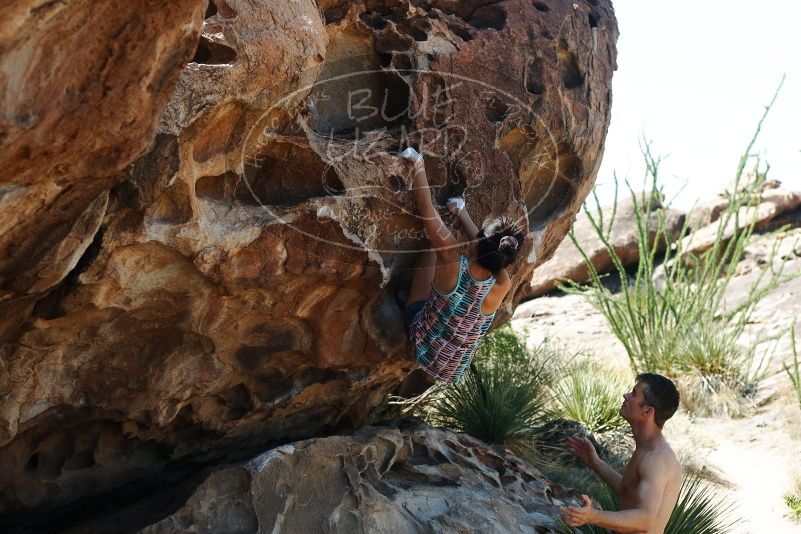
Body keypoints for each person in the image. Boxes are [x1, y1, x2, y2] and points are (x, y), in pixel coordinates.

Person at [400, 148, 525, 383]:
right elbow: (489, 250)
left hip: (424, 349)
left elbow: (426, 209)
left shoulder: (451, 258)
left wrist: (418, 165)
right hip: (453, 369)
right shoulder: (502, 284)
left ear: (478, 244)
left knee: (430, 250)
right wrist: (461, 212)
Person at [561, 373, 683, 534]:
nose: (625, 396)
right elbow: (629, 491)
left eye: (633, 394)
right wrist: (595, 463)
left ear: (647, 411)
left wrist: (593, 516)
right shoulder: (646, 449)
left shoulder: (656, 459)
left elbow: (645, 520)